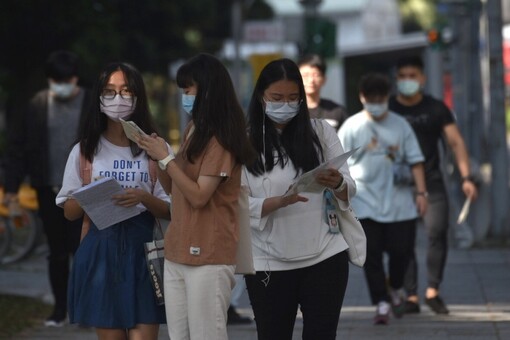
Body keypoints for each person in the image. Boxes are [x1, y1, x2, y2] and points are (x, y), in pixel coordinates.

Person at [137, 53, 256, 340]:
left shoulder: (221, 139)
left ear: (208, 89)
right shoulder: (193, 130)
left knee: (207, 335)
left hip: (209, 255)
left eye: (189, 89)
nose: (185, 96)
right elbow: (174, 188)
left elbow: (200, 196)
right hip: (177, 250)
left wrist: (166, 159)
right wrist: (157, 157)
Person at [242, 58, 356, 340]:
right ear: (261, 97)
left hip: (325, 254)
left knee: (322, 333)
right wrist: (276, 203)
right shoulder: (243, 141)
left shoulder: (320, 131)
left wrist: (338, 182)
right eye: (277, 98)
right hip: (268, 263)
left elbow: (349, 186)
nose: (286, 105)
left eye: (293, 98)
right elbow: (234, 202)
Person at [55, 62, 170, 339]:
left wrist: (142, 197)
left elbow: (172, 209)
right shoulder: (84, 149)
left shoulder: (155, 147)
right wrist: (91, 194)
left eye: (126, 91)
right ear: (99, 98)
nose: (117, 99)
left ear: (138, 97)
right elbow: (69, 212)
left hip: (144, 252)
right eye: (109, 92)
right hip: (100, 250)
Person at [3, 50, 91, 327]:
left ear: (75, 78)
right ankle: (59, 310)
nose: (62, 85)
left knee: (84, 251)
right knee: (56, 252)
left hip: (85, 191)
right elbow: (18, 148)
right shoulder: (37, 105)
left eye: (66, 79)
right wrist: (11, 186)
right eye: (56, 80)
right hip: (48, 187)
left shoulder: (91, 104)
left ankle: (85, 310)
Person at [389, 56, 478, 315]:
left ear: (423, 78)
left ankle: (432, 291)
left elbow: (456, 142)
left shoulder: (436, 108)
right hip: (398, 184)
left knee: (437, 232)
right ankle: (411, 296)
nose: (408, 81)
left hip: (432, 182)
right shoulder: (389, 108)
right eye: (403, 76)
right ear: (397, 80)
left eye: (412, 75)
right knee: (402, 241)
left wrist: (467, 177)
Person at [338, 73, 428, 325]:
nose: (376, 103)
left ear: (387, 97)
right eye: (371, 98)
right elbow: (338, 164)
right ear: (362, 98)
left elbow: (416, 161)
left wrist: (422, 193)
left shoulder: (400, 125)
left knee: (401, 252)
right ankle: (381, 301)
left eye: (380, 98)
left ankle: (396, 286)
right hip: (363, 202)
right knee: (371, 256)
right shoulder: (352, 127)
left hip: (399, 203)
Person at [298, 54, 348, 130]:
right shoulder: (292, 113)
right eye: (305, 75)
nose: (311, 80)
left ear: (324, 79)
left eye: (316, 75)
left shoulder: (337, 112)